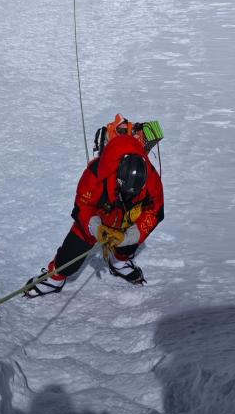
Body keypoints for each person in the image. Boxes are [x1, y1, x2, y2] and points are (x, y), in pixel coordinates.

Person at [25, 120, 164, 295]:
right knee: (77, 244)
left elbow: (155, 210)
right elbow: (83, 207)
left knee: (133, 233)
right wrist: (96, 228)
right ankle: (55, 277)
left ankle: (119, 261)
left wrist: (127, 237)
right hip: (100, 213)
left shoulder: (151, 177)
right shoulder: (95, 174)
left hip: (128, 215)